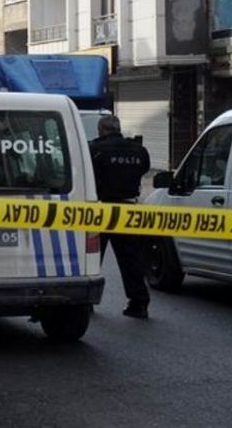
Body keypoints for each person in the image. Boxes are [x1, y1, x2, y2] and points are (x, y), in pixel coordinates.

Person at [89, 115, 151, 319]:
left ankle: (86, 301)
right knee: (131, 259)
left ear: (101, 130)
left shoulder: (95, 149)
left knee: (91, 258)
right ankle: (139, 303)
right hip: (128, 209)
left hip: (101, 210)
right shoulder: (139, 150)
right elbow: (144, 169)